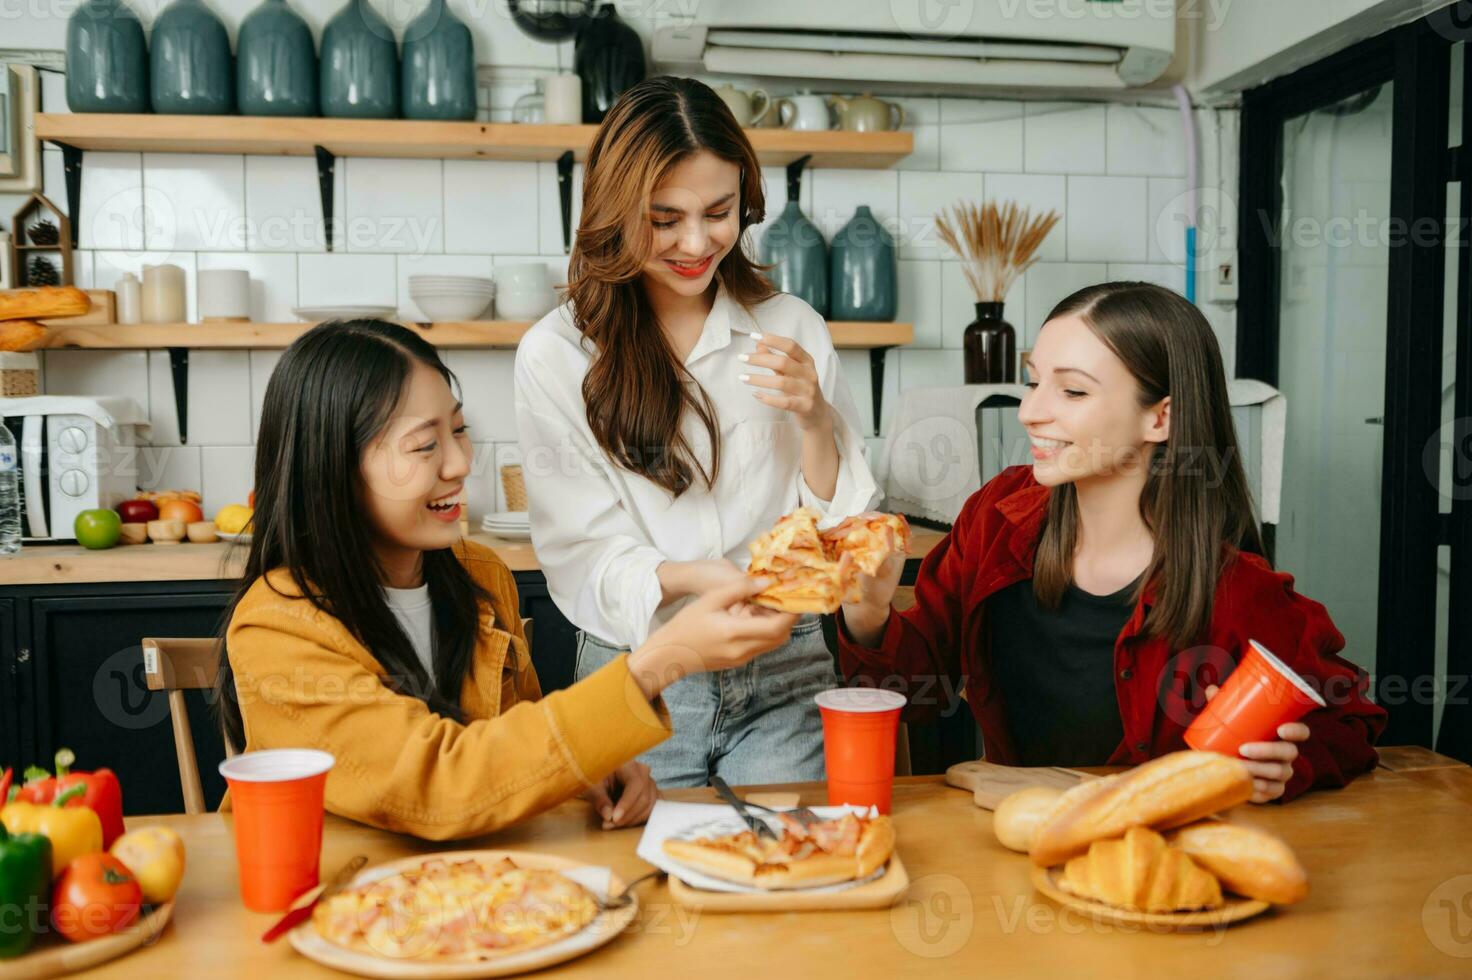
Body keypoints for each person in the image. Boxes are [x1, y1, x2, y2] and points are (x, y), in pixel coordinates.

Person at [215, 319, 797, 840]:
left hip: (480, 896)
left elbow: (513, 741)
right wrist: (661, 660)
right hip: (332, 902)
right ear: (334, 470)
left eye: (459, 431)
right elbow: (440, 785)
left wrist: (583, 772)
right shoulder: (277, 625)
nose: (460, 463)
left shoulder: (479, 575)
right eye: (424, 445)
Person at [838, 282, 1385, 803]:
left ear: (1160, 417)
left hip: (1155, 864)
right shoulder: (997, 519)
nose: (1031, 411)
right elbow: (911, 693)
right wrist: (868, 610)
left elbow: (1352, 721)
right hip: (1014, 842)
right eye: (1034, 381)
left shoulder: (1234, 588)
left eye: (1072, 390)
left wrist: (1287, 764)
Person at [514, 76, 878, 787]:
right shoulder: (557, 353)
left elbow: (837, 529)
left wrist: (815, 421)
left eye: (718, 212)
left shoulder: (791, 326)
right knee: (640, 890)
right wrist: (700, 582)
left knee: (789, 877)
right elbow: (581, 553)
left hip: (784, 663)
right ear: (615, 211)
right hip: (640, 670)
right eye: (663, 217)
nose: (695, 242)